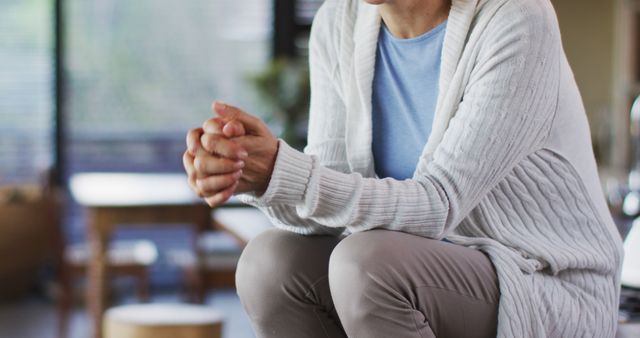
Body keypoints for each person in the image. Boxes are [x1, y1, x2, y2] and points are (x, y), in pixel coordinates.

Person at [183, 0, 624, 337]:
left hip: (543, 281)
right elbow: (327, 207)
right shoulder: (340, 22)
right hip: (418, 270)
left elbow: (438, 205)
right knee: (268, 263)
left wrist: (285, 172)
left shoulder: (515, 17)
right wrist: (255, 173)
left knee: (366, 264)